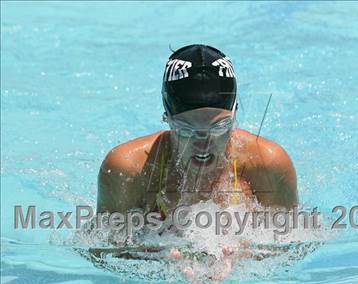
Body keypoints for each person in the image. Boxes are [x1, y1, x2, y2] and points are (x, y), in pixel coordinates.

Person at [97, 44, 297, 221]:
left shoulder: (269, 165)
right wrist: (154, 254)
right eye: (186, 130)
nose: (203, 142)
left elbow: (292, 247)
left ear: (235, 113)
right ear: (166, 116)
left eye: (218, 127)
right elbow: (102, 252)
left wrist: (245, 254)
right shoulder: (129, 168)